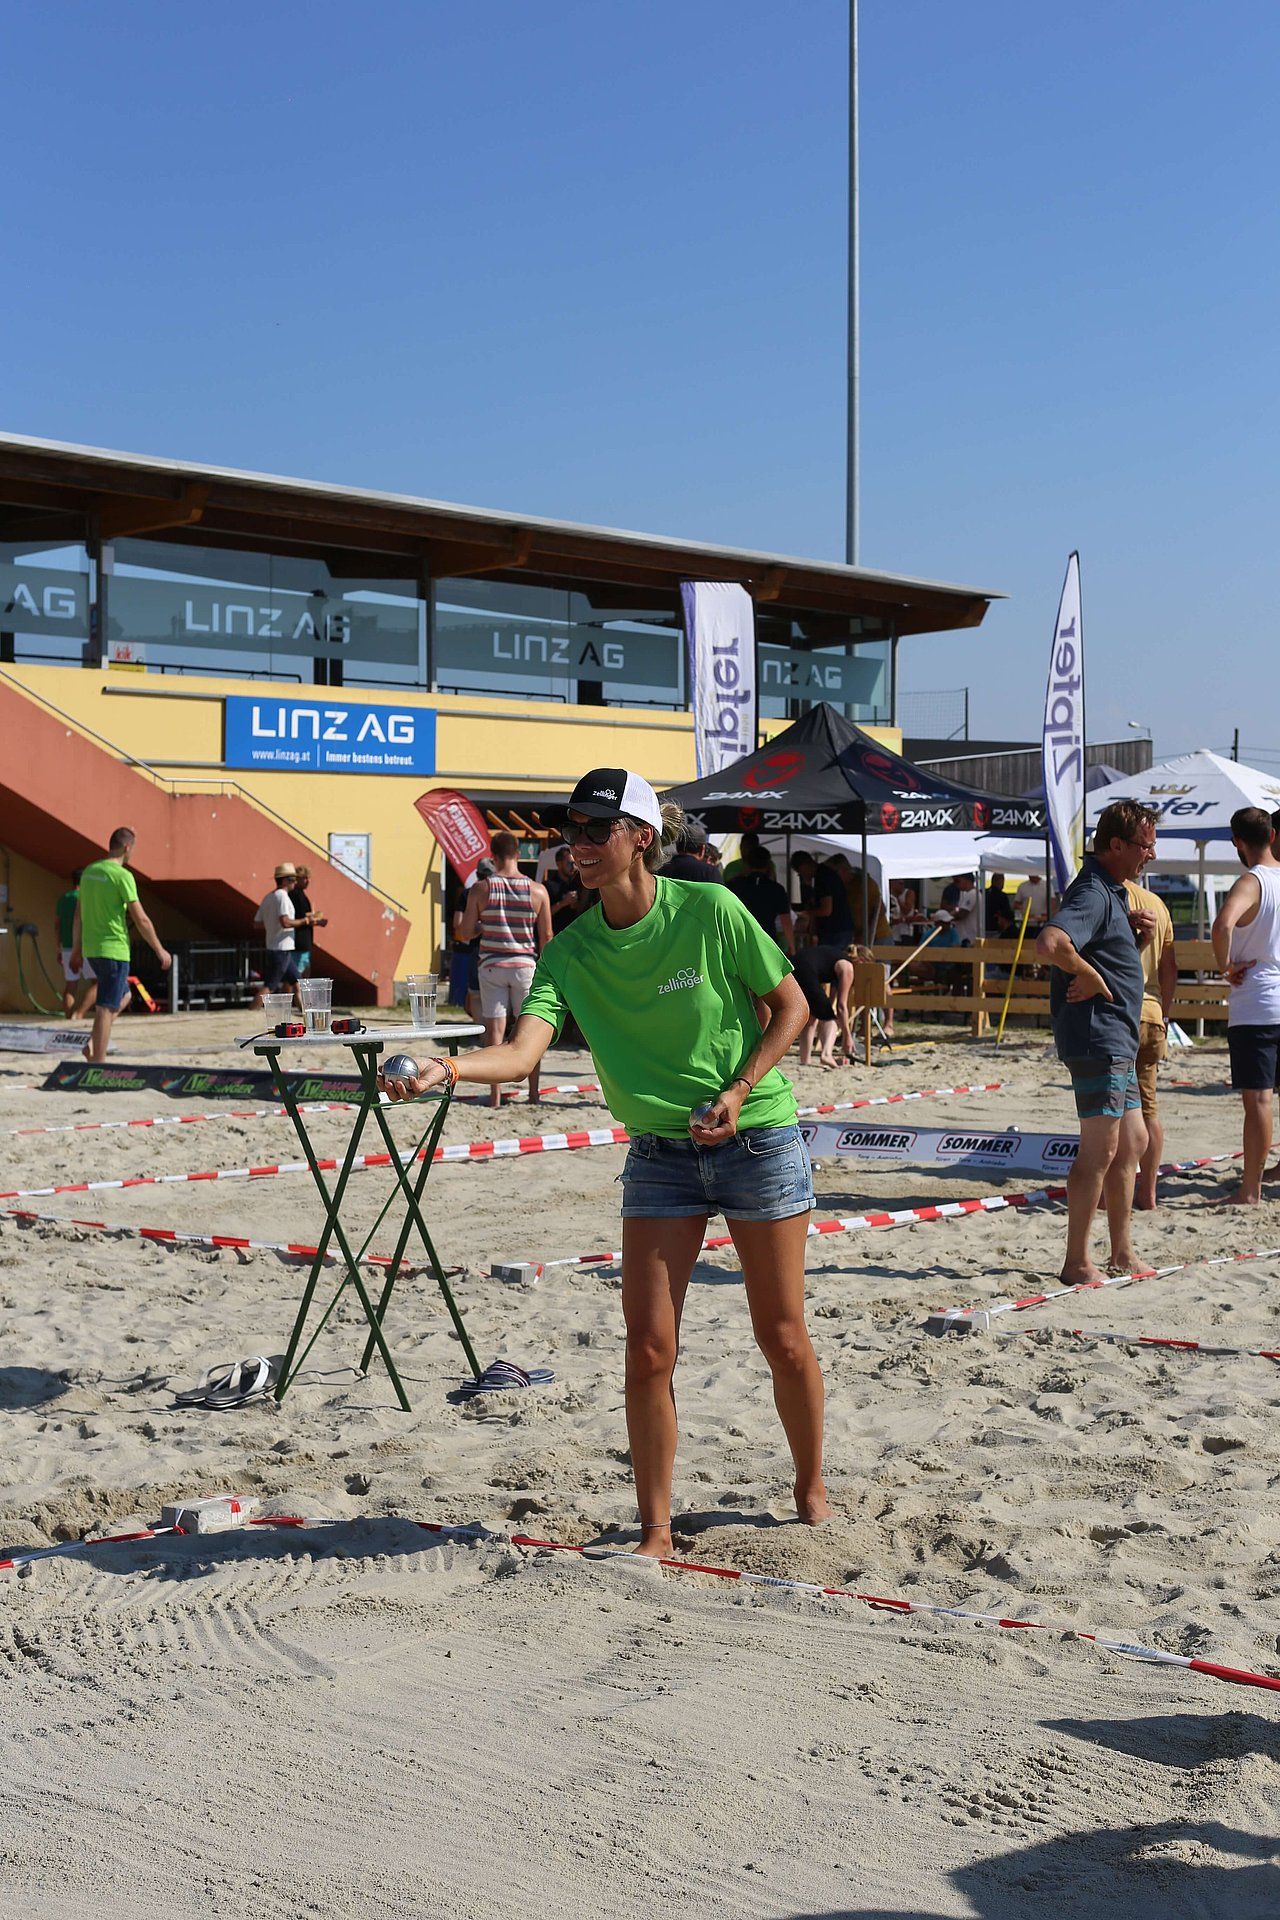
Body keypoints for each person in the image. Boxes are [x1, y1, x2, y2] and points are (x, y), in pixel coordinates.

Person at [380, 767, 828, 1557]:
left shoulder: (712, 909)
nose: (578, 845)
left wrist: (739, 1086)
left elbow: (793, 1006)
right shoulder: (575, 951)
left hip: (756, 1135)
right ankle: (655, 1530)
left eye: (597, 829)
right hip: (659, 1154)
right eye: (571, 831)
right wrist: (444, 1069)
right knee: (648, 1348)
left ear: (641, 839)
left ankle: (809, 1485)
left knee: (782, 1335)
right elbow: (521, 1054)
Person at [1034, 801, 1156, 1284]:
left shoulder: (1113, 893)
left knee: (1134, 1142)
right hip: (1097, 1038)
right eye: (1146, 845)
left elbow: (1097, 950)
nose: (1152, 854)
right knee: (1101, 1151)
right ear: (1117, 845)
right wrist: (1088, 974)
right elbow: (1049, 944)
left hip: (1116, 1037)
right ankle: (1076, 1262)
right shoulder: (1093, 891)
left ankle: (1121, 1252)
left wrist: (1133, 942)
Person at [1211, 806, 1280, 1205]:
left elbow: (1222, 925)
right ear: (1272, 835)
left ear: (1238, 841)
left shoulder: (1252, 881)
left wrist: (1225, 966)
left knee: (1258, 1101)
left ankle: (1250, 1189)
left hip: (1258, 1000)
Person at [456, 832, 551, 1108]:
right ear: (518, 853)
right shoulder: (537, 890)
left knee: (494, 1033)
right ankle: (533, 1094)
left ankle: (495, 1097)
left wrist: (483, 926)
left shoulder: (481, 888)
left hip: (492, 965)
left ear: (493, 856)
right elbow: (547, 936)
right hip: (525, 966)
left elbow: (464, 932)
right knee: (530, 1032)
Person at [70, 827, 171, 1063]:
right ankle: (99, 1062)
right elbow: (141, 919)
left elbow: (78, 915)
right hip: (114, 950)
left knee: (123, 996)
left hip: (93, 949)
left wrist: (76, 948)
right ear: (127, 848)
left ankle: (94, 1042)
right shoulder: (122, 875)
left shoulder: (89, 873)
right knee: (105, 1006)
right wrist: (159, 949)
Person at [1124, 874, 1177, 1210]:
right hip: (1154, 1013)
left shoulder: (1107, 894)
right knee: (1149, 1110)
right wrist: (1166, 1011)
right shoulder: (1157, 903)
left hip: (1123, 1012)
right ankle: (1148, 1193)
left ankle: (1113, 1192)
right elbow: (1170, 968)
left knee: (1116, 1112)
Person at [728, 844, 794, 954]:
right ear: (768, 865)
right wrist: (792, 947)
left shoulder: (734, 885)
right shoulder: (777, 889)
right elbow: (786, 921)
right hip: (768, 940)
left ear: (747, 864)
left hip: (739, 940)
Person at [253, 863, 300, 1008]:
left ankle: (306, 1015)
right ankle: (251, 1011)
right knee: (270, 986)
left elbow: (257, 923)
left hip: (276, 947)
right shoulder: (282, 897)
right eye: (293, 879)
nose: (295, 883)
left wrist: (272, 925)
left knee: (298, 984)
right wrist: (305, 921)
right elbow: (285, 922)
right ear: (285, 880)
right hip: (281, 948)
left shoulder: (269, 897)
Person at [56, 869, 97, 1018]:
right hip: (85, 946)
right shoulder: (87, 897)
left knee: (71, 985)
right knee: (99, 983)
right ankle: (80, 1013)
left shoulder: (64, 898)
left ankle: (69, 1018)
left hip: (66, 946)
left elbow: (57, 925)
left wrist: (58, 947)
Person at [789, 851, 854, 944]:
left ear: (804, 866)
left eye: (800, 872)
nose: (801, 875)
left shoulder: (823, 878)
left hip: (835, 931)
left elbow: (826, 910)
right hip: (837, 930)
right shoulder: (825, 874)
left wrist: (805, 913)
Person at [288, 865, 326, 978]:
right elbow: (302, 918)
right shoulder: (296, 895)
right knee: (300, 975)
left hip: (301, 941)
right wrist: (315, 921)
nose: (308, 881)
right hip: (300, 941)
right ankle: (298, 995)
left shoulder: (298, 894)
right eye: (305, 878)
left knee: (299, 974)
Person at [545, 844, 588, 934]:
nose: (573, 867)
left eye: (575, 863)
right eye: (569, 863)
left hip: (576, 935)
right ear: (559, 864)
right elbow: (544, 914)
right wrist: (563, 903)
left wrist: (577, 904)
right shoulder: (549, 885)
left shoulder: (579, 883)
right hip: (556, 935)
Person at [940, 873, 979, 944]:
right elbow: (958, 909)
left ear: (966, 880)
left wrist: (947, 917)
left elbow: (962, 914)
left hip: (970, 936)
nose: (956, 884)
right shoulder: (965, 894)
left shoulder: (972, 894)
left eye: (958, 881)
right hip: (964, 936)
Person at [985, 872, 1016, 939]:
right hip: (996, 928)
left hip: (984, 926)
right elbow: (1007, 912)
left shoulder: (984, 893)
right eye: (1002, 881)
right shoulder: (1002, 896)